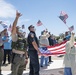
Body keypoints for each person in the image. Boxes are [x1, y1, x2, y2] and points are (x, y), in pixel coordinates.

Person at [11, 11, 28, 75]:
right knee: (14, 73)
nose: (20, 30)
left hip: (23, 58)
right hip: (16, 57)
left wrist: (26, 58)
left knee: (20, 73)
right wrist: (17, 18)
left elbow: (25, 48)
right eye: (18, 29)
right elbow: (13, 27)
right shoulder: (15, 37)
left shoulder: (23, 38)